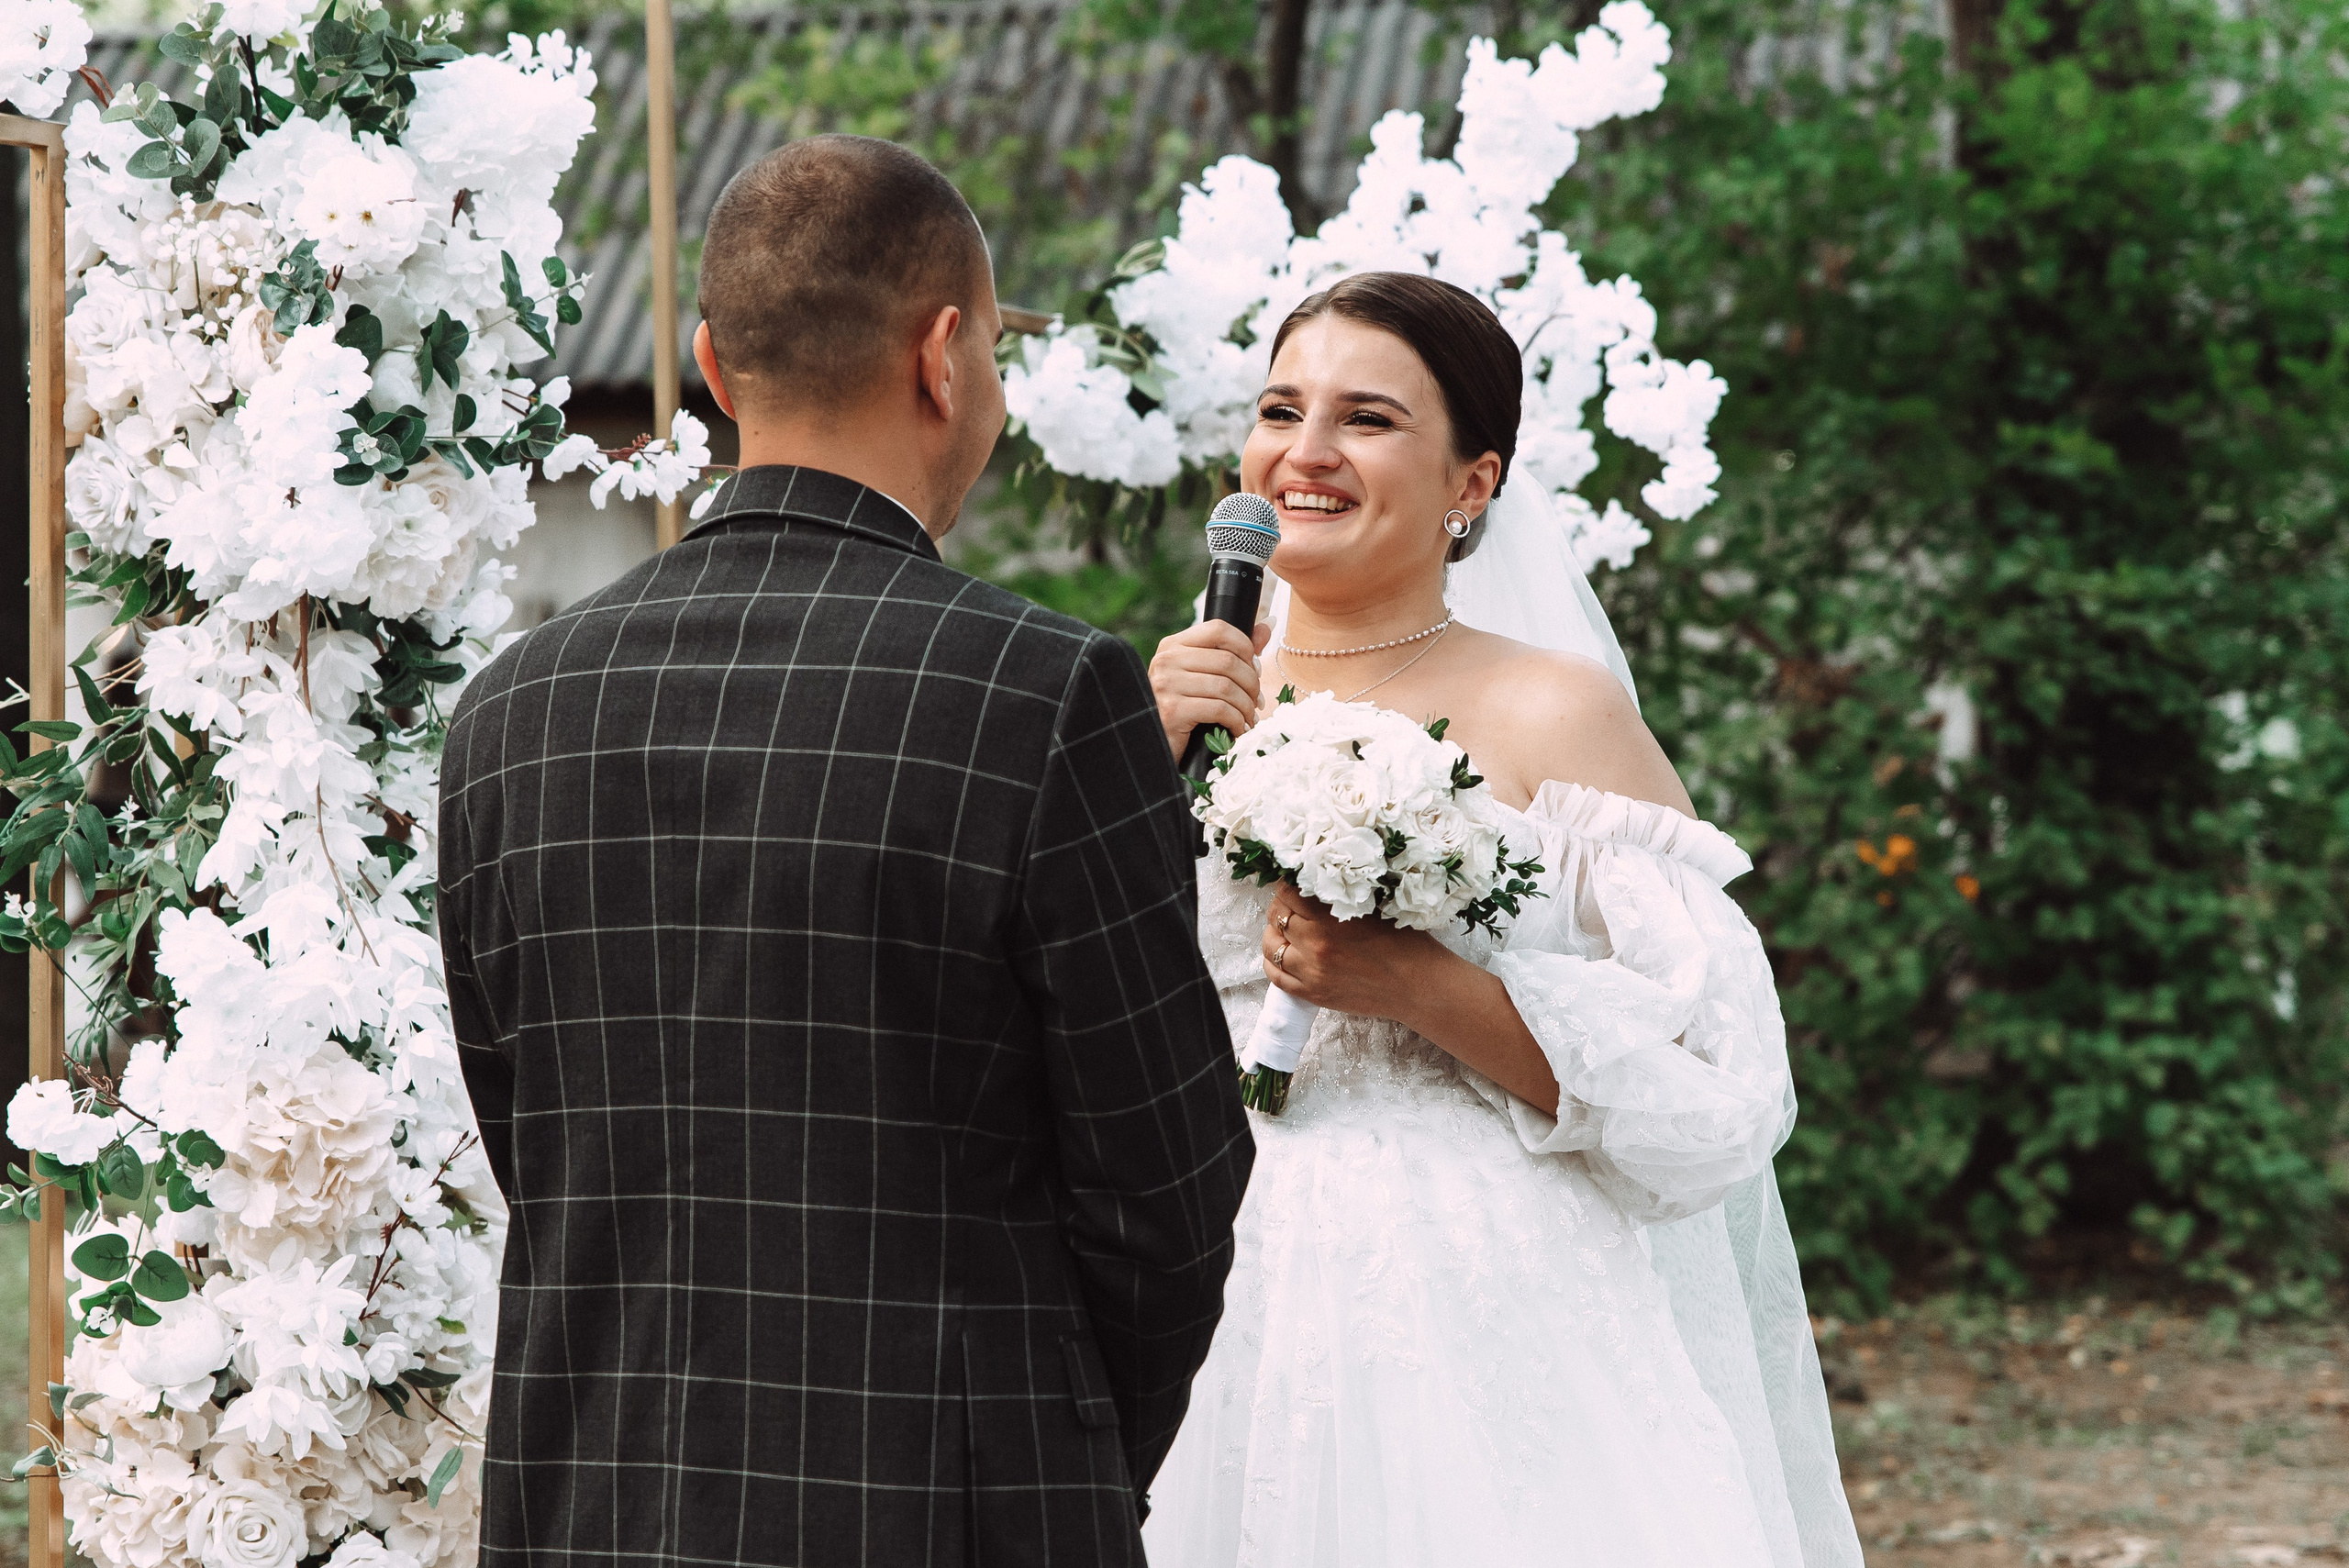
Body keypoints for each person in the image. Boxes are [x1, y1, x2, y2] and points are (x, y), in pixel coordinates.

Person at [438, 134, 1253, 1568]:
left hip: (597, 1502)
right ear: (945, 356)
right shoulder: (1046, 692)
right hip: (948, 1505)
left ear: (706, 360)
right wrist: (1052, 1452)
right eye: (993, 349)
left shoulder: (515, 710)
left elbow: (535, 1140)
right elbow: (1167, 1189)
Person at [1141, 272, 1864, 1567]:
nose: (1302, 453)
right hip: (1193, 1266)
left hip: (1473, 1295)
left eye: (1365, 419)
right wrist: (1138, 757)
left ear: (1473, 485)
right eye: (1279, 410)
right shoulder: (1180, 687)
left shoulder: (1554, 711)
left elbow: (1715, 1089)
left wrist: (1414, 984)